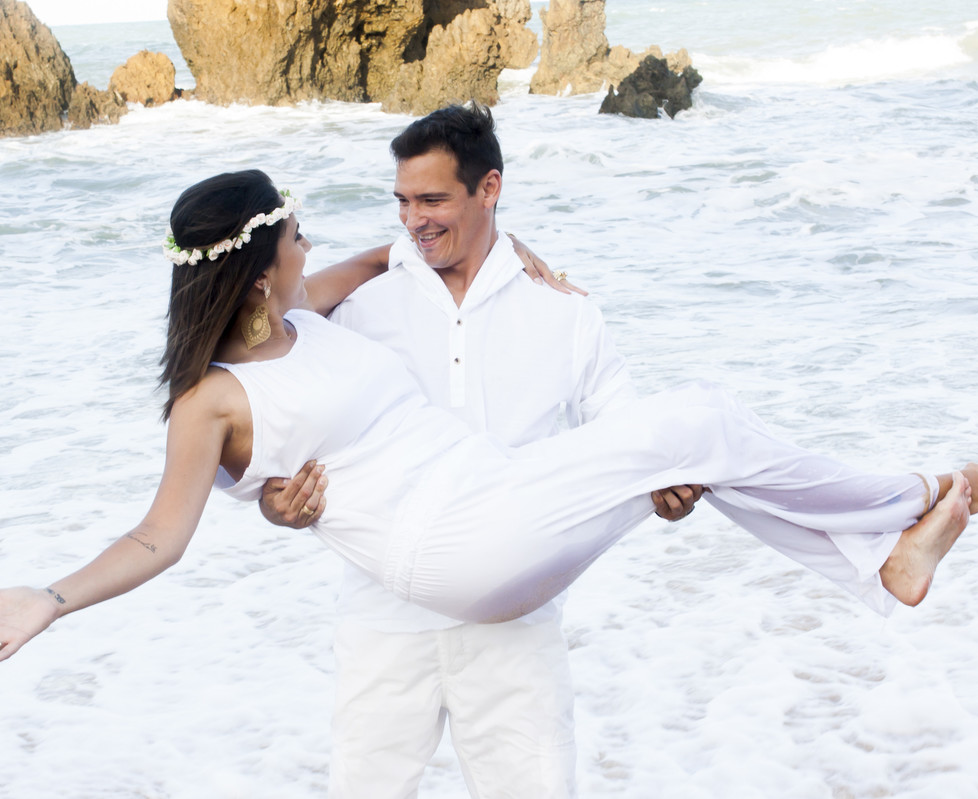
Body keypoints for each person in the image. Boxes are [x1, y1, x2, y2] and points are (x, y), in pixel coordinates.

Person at [0, 169, 978, 686]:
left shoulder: (303, 310)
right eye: (296, 234)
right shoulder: (208, 399)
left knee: (694, 446)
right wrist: (53, 596)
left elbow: (410, 248)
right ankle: (911, 498)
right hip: (447, 541)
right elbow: (157, 537)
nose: (313, 246)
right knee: (697, 419)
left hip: (493, 497)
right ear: (259, 260)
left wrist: (522, 258)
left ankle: (884, 558)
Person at [257, 104, 702, 799]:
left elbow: (627, 436)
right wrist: (274, 501)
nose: (413, 219)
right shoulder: (355, 308)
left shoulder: (565, 311)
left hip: (513, 619)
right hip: (382, 615)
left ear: (489, 188)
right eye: (402, 201)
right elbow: (273, 405)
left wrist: (667, 491)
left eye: (433, 199)